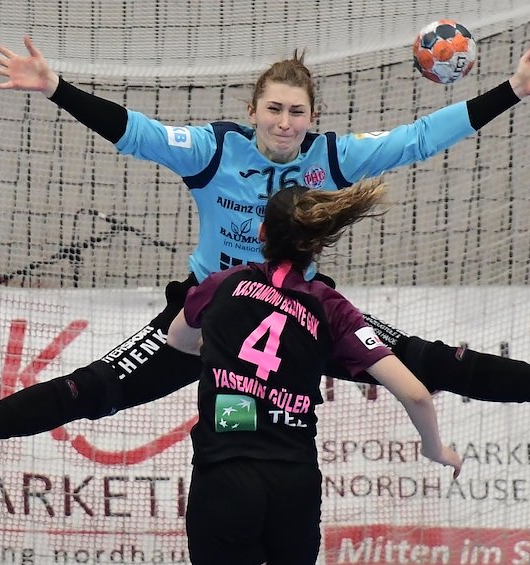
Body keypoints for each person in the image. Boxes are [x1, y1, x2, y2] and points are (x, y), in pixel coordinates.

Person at [0, 36, 530, 462]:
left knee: (426, 361)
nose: (285, 123)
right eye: (274, 109)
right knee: (103, 386)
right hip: (207, 315)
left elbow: (418, 139)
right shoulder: (213, 149)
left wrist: (511, 90)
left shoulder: (332, 157)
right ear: (253, 109)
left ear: (312, 118)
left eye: (297, 112)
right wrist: (56, 88)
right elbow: (136, 132)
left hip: (300, 315)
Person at [167, 180, 460, 564]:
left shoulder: (224, 283)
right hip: (294, 481)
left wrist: (219, 348)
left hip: (224, 472)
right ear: (317, 245)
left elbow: (177, 340)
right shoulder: (331, 307)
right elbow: (417, 394)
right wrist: (435, 449)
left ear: (261, 232)